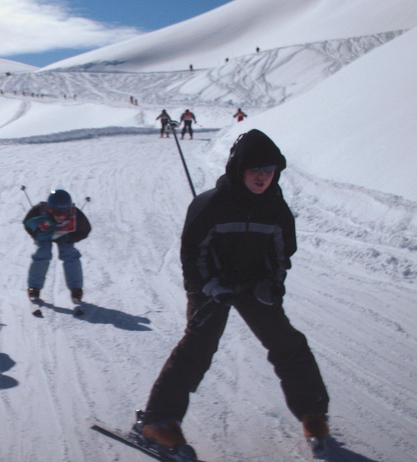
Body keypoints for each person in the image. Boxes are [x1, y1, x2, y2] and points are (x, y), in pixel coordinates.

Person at [136, 130, 330, 454]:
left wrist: (274, 282)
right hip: (212, 286)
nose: (263, 176)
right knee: (199, 344)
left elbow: (282, 254)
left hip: (254, 284)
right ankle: (157, 422)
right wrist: (211, 286)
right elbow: (192, 254)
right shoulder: (211, 205)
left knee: (287, 343)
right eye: (255, 169)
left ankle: (313, 413)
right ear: (239, 168)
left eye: (269, 170)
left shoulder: (277, 210)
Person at [23, 189, 91, 302]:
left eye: (65, 212)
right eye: (56, 212)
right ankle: (34, 288)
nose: (60, 216)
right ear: (49, 210)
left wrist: (71, 237)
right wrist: (37, 234)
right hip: (45, 235)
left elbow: (85, 230)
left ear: (70, 210)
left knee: (69, 253)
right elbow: (27, 223)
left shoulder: (76, 215)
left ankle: (76, 289)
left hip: (65, 235)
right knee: (42, 252)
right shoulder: (38, 211)